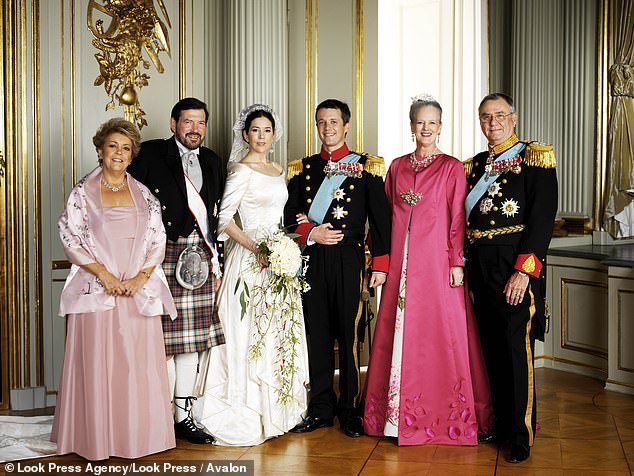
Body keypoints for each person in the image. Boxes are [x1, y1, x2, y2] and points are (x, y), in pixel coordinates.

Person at [362, 95, 494, 445]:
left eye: (432, 122)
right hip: (402, 267)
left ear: (441, 126)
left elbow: (457, 218)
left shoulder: (452, 167)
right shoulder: (397, 167)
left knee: (438, 337)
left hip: (437, 264)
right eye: (420, 122)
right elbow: (384, 220)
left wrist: (456, 263)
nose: (426, 128)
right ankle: (391, 418)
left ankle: (441, 415)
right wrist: (384, 263)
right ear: (411, 126)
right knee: (398, 333)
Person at [52, 118, 177, 460]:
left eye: (126, 148)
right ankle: (96, 438)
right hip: (98, 287)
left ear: (132, 154)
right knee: (97, 364)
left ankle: (137, 437)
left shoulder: (143, 194)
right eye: (112, 146)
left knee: (135, 367)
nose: (119, 153)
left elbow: (157, 238)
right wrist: (105, 276)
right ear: (100, 150)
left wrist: (138, 279)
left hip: (136, 290)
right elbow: (70, 235)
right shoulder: (82, 193)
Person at [191, 104, 309, 446]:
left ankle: (278, 410)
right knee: (248, 330)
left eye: (267, 131)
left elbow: (279, 215)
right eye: (255, 130)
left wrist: (282, 250)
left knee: (277, 330)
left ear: (274, 135)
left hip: (278, 261)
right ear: (246, 135)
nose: (261, 136)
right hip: (251, 260)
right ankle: (244, 410)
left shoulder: (276, 169)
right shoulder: (240, 171)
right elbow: (224, 220)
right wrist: (258, 248)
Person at [283, 99, 391, 437]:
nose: (327, 127)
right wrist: (311, 231)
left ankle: (349, 410)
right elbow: (288, 216)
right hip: (313, 260)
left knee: (349, 333)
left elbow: (382, 222)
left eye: (333, 121)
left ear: (346, 125)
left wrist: (381, 265)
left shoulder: (366, 167)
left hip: (350, 260)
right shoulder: (302, 169)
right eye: (321, 122)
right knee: (318, 333)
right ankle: (321, 408)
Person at [465, 93, 558, 463]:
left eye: (500, 115)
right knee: (491, 348)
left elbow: (542, 219)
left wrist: (524, 271)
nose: (493, 122)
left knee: (516, 351)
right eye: (485, 117)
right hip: (480, 266)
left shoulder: (534, 158)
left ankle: (521, 434)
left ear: (514, 118)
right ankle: (501, 424)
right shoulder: (474, 166)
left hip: (514, 266)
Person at [128, 97, 226, 444]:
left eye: (201, 123)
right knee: (158, 341)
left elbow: (215, 217)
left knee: (189, 344)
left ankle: (184, 417)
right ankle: (157, 413)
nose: (195, 129)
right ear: (173, 124)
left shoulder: (213, 160)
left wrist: (218, 261)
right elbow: (129, 201)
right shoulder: (150, 154)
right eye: (188, 122)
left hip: (198, 257)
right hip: (159, 255)